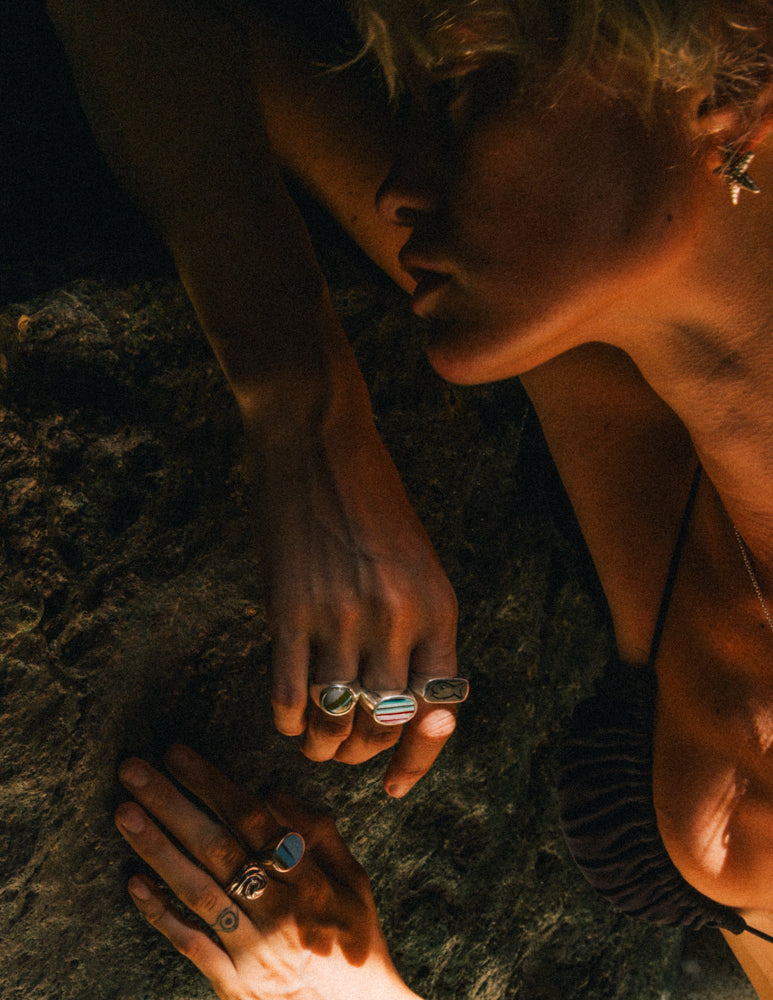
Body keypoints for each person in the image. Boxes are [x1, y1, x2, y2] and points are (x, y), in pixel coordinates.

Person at [45, 0, 773, 995]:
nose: (402, 178)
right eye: (414, 93)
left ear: (729, 91)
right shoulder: (611, 347)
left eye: (468, 95)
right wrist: (301, 401)